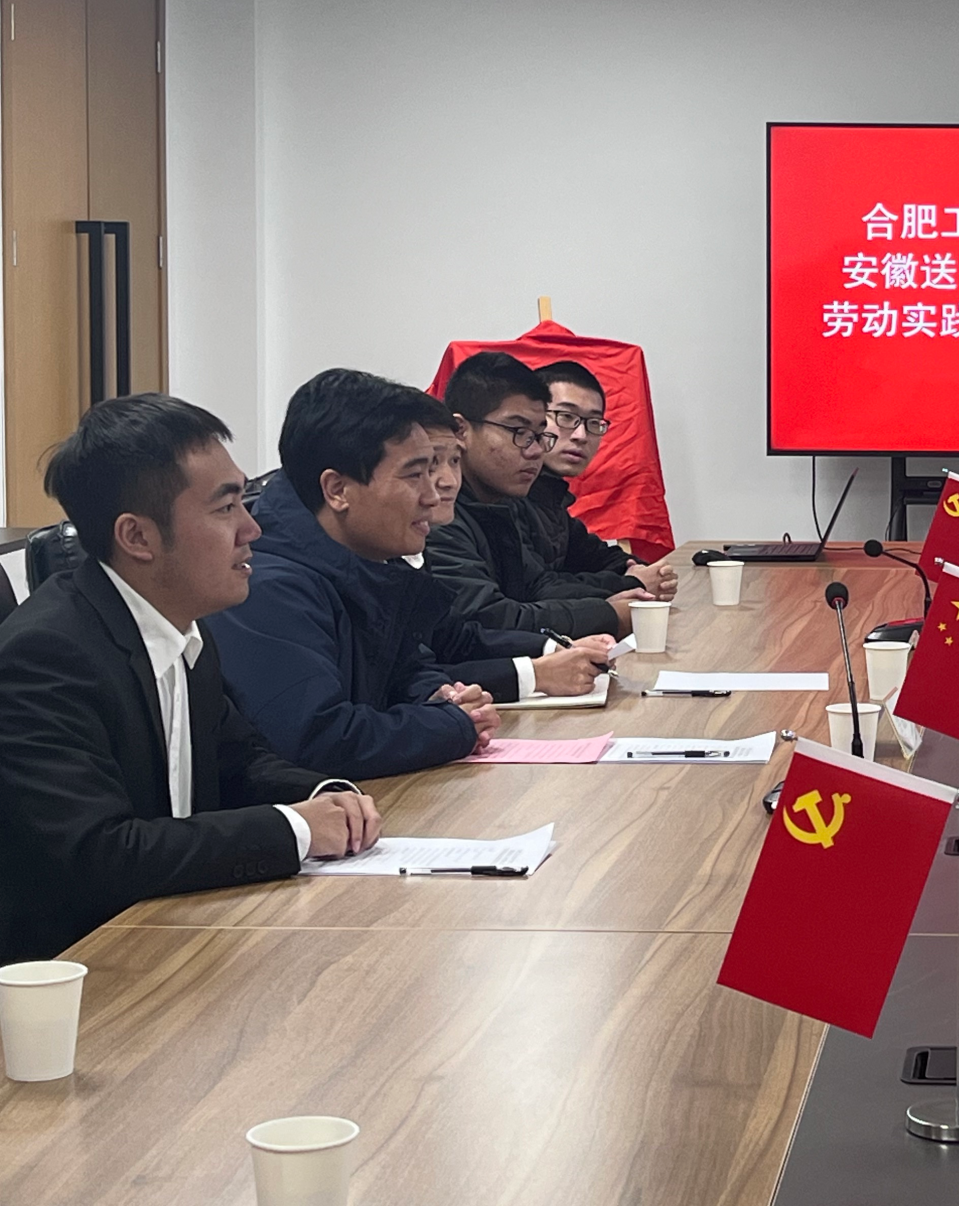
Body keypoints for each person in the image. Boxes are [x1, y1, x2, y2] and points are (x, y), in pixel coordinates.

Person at [0, 394, 380, 962]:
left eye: (244, 500)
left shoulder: (181, 626)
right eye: (226, 508)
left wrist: (324, 796)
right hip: (84, 970)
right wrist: (294, 830)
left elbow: (239, 762)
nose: (252, 528)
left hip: (175, 937)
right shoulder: (45, 658)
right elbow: (100, 855)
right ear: (138, 538)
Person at [210, 370, 512, 778]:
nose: (432, 494)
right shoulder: (267, 587)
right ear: (337, 490)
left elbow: (405, 670)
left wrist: (439, 697)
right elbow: (316, 740)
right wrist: (451, 727)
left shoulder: (370, 562)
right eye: (414, 474)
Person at [427, 352, 653, 636]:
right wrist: (612, 610)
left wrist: (633, 579)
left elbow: (532, 587)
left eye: (538, 436)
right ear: (461, 431)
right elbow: (488, 619)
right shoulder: (437, 513)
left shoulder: (500, 502)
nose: (535, 451)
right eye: (519, 432)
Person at [534, 359, 676, 598]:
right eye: (566, 416)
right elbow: (536, 590)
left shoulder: (551, 496)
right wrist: (631, 582)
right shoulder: (507, 496)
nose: (581, 435)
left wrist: (638, 569)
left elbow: (593, 555)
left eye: (593, 423)